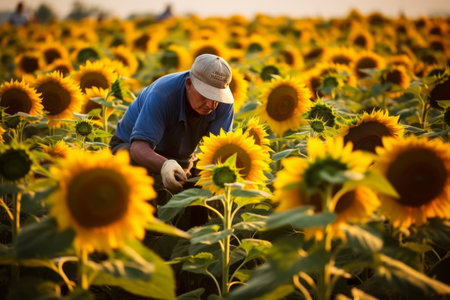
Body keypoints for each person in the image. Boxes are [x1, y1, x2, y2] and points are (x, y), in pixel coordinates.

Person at [110, 54, 234, 204]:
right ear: (189, 84)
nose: (210, 104)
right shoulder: (163, 94)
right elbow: (138, 148)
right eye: (205, 95)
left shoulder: (224, 103)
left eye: (216, 97)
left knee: (198, 196)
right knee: (147, 187)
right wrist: (165, 165)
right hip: (132, 148)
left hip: (181, 157)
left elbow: (216, 152)